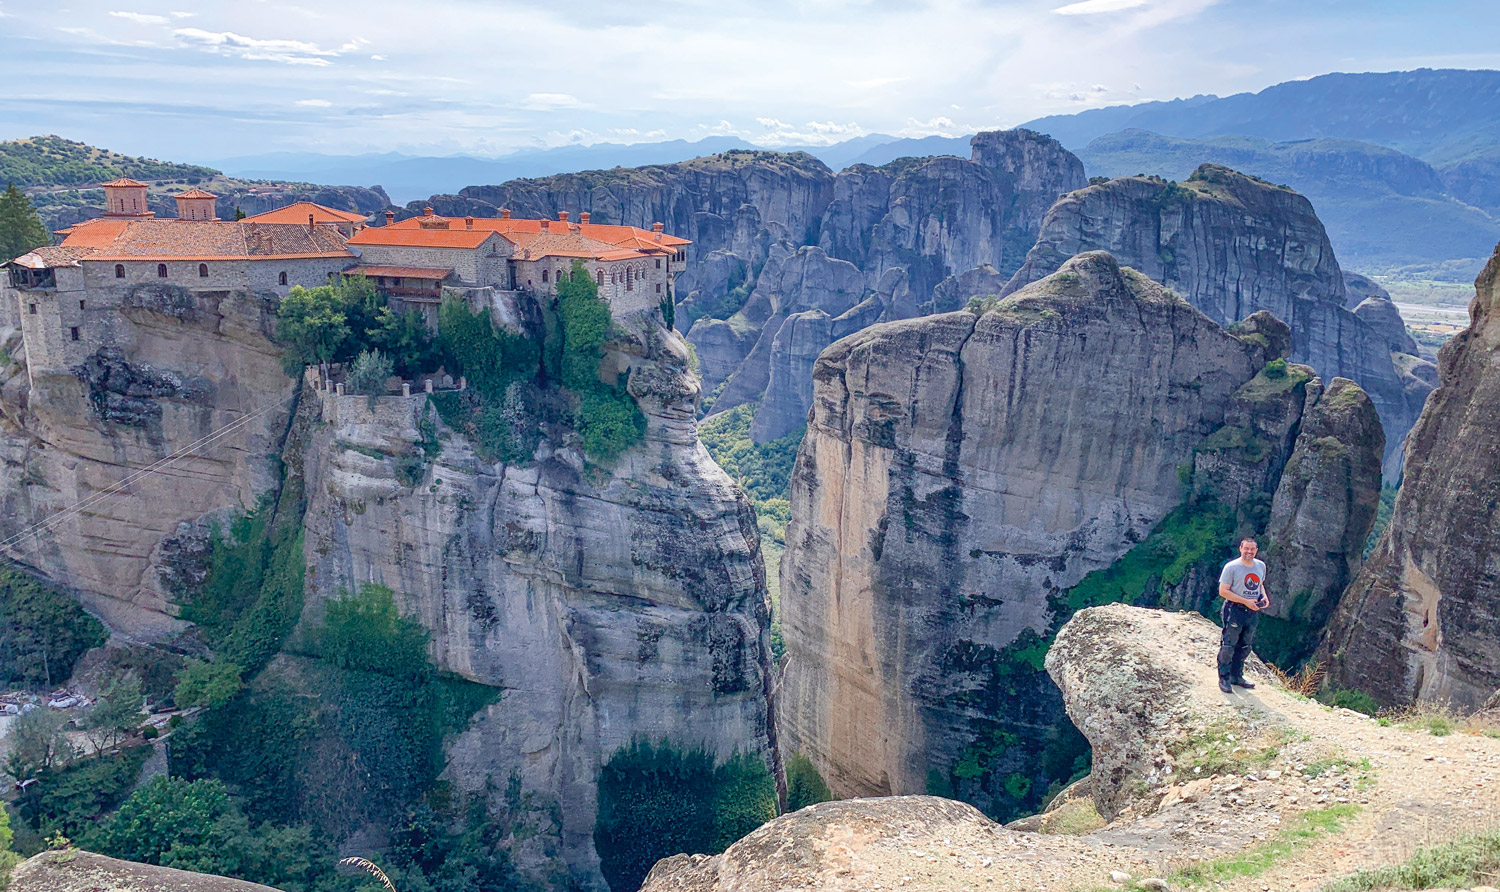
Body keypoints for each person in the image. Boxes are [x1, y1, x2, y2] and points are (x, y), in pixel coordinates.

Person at [1217, 536, 1271, 694]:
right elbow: (1223, 591)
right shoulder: (1231, 567)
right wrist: (1245, 601)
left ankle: (1237, 676)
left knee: (1245, 645)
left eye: (1252, 549)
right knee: (1229, 645)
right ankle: (1224, 678)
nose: (1249, 551)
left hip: (1252, 611)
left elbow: (1260, 584)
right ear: (1240, 549)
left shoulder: (1260, 566)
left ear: (1256, 550)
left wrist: (1264, 597)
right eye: (1246, 548)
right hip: (1234, 610)